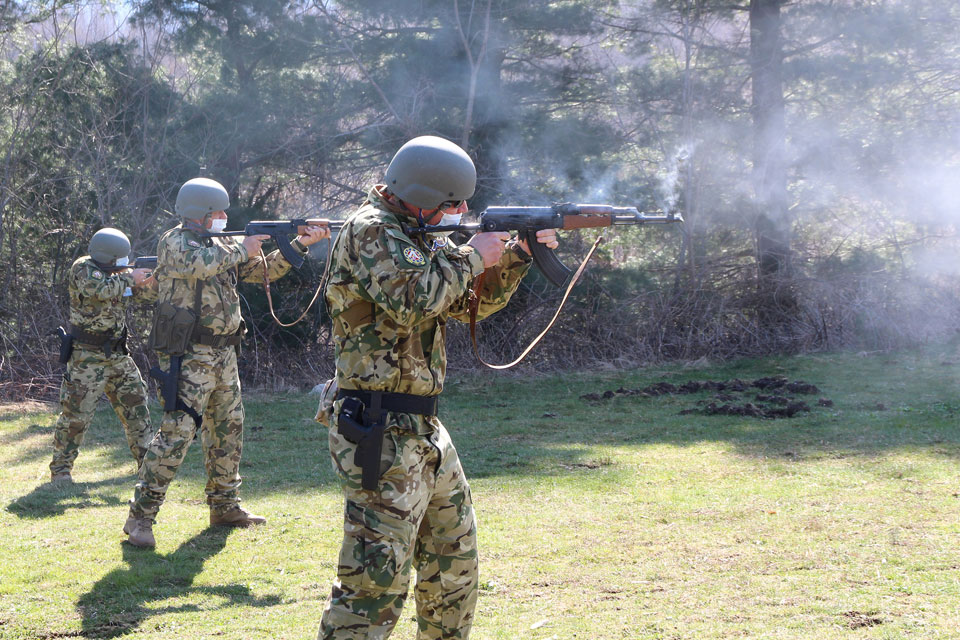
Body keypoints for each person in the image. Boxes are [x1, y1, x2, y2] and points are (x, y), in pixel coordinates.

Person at [318, 135, 558, 639]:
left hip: (422, 426)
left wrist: (514, 255)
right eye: (454, 203)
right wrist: (473, 255)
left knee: (454, 569)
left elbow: (465, 302)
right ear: (423, 196)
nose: (463, 210)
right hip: (378, 430)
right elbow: (415, 298)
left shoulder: (419, 234)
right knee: (372, 587)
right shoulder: (371, 232)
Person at [124, 177, 329, 548]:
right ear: (198, 214)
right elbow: (200, 264)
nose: (223, 216)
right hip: (188, 354)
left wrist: (299, 243)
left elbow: (259, 271)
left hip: (223, 353)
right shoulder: (176, 242)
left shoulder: (220, 244)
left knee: (228, 429)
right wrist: (242, 247)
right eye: (216, 212)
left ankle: (224, 506)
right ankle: (140, 518)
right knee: (177, 433)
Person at [50, 227, 157, 483]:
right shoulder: (84, 269)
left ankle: (149, 466)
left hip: (118, 354)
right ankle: (61, 470)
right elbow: (99, 290)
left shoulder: (119, 275)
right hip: (87, 356)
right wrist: (131, 277)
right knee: (76, 415)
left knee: (137, 408)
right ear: (108, 257)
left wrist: (153, 280)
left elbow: (143, 296)